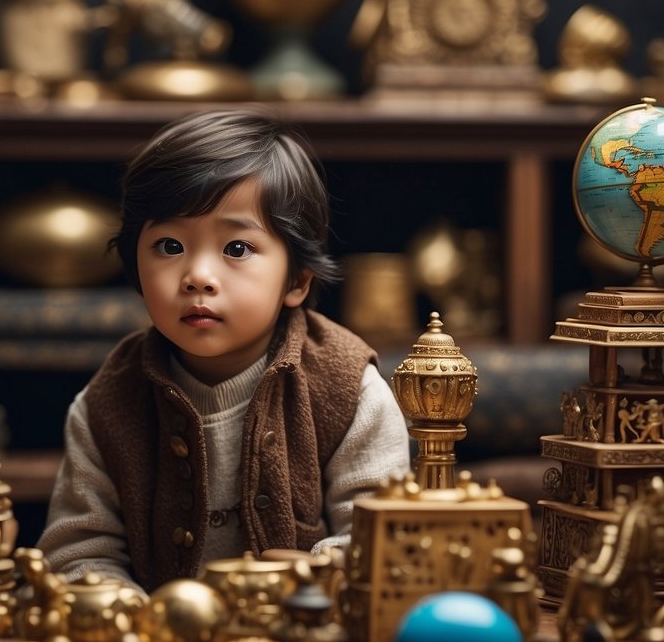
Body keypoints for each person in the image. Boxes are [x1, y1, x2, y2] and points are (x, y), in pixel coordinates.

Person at [37, 110, 411, 594]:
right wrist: (136, 618)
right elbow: (78, 551)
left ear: (296, 280)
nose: (197, 276)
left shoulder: (348, 388)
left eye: (236, 249)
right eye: (169, 245)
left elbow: (377, 536)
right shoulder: (108, 403)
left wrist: (297, 585)